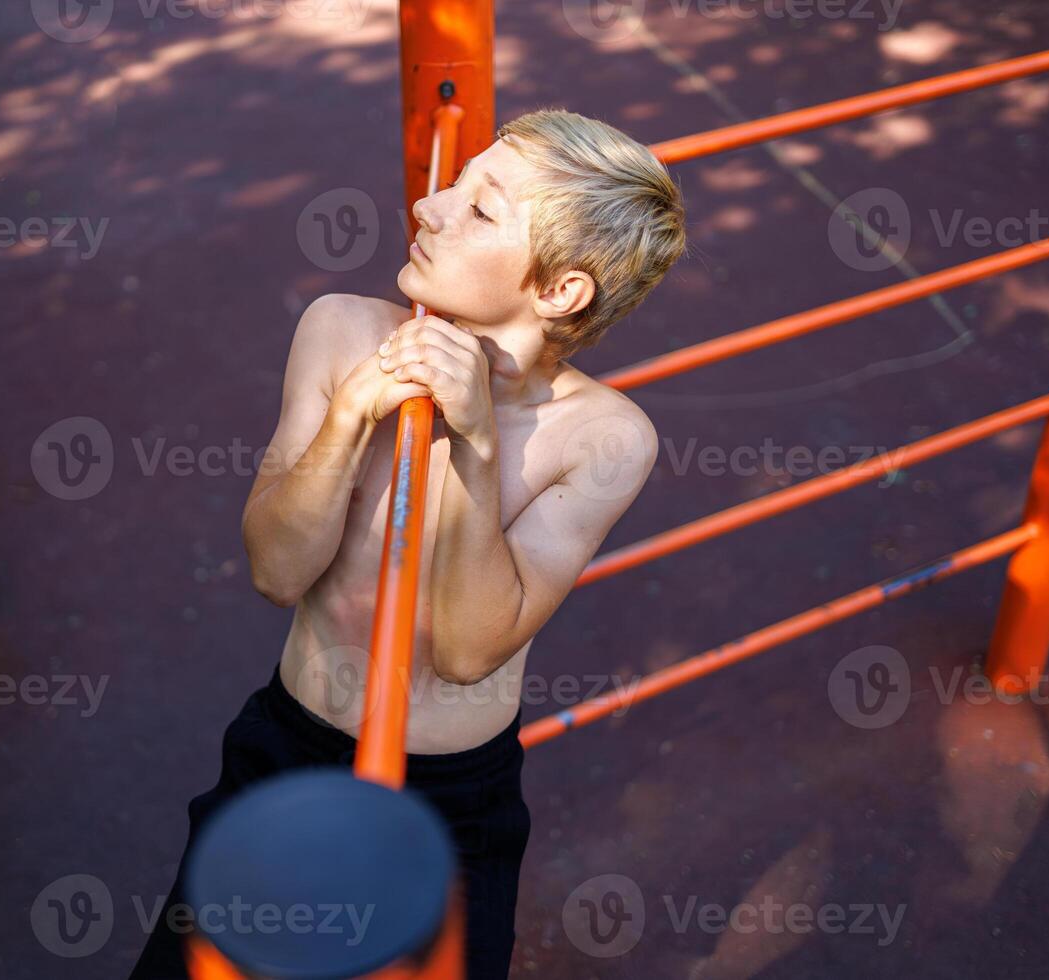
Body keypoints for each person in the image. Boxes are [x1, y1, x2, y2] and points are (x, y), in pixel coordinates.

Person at [130, 107, 686, 979]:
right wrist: (352, 412)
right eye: (452, 184)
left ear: (559, 291)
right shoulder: (343, 327)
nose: (429, 210)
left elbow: (466, 650)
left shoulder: (605, 437)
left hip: (449, 797)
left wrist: (476, 442)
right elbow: (277, 572)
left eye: (479, 209)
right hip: (291, 748)